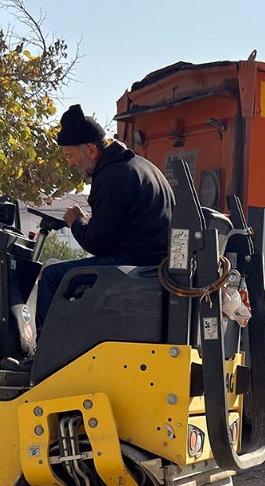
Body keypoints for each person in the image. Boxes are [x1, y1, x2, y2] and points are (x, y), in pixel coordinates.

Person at [34, 104, 175, 332]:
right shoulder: (141, 166)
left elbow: (97, 245)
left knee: (51, 276)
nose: (70, 163)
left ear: (90, 150)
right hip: (154, 265)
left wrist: (76, 222)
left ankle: (43, 357)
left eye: (70, 155)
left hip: (133, 267)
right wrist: (90, 223)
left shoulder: (110, 177)